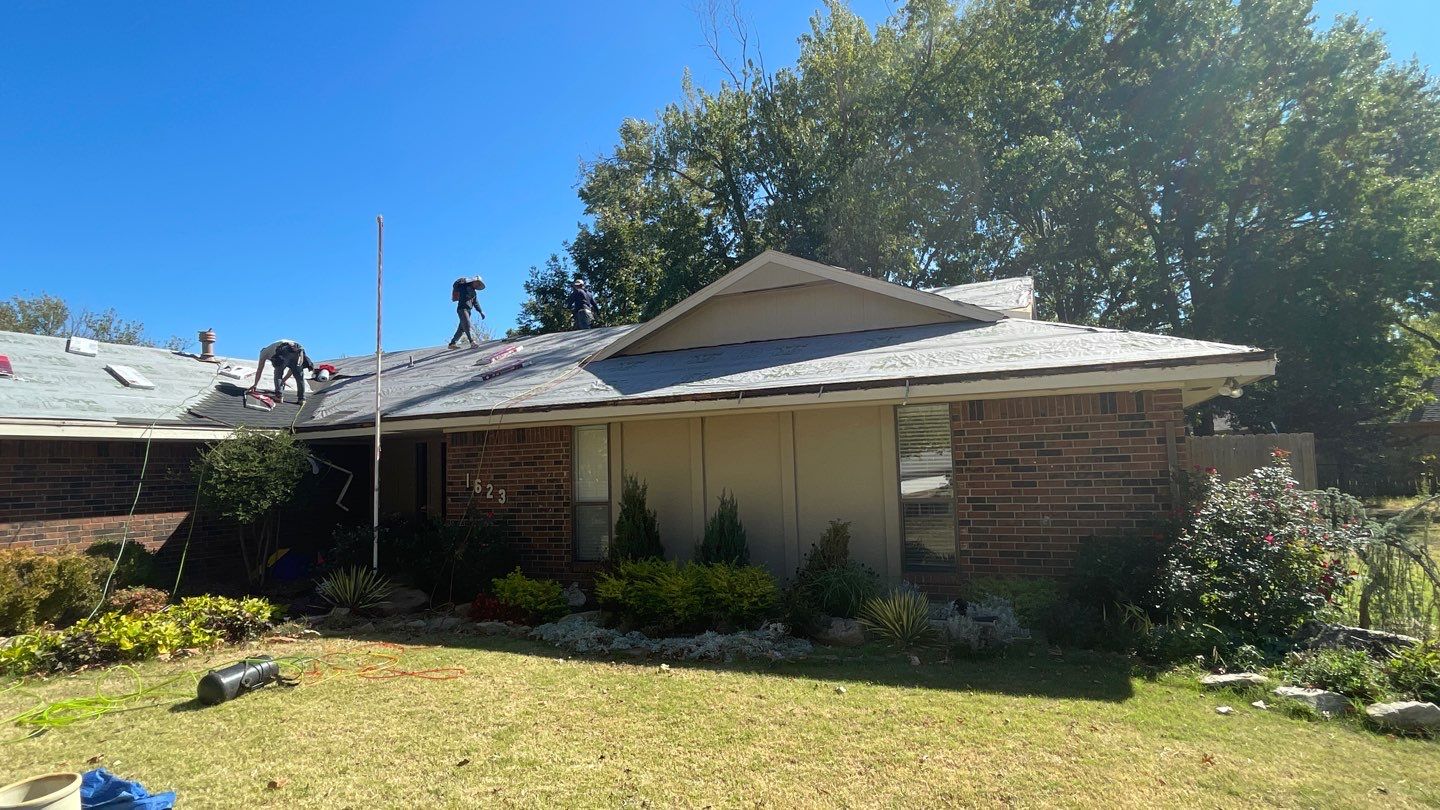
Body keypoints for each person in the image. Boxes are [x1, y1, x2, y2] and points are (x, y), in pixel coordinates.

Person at [248, 339, 314, 405]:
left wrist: (255, 384)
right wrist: (284, 380)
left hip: (285, 348)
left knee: (278, 374)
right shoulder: (273, 348)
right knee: (299, 377)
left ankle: (278, 396)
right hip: (299, 349)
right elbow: (293, 369)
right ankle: (302, 399)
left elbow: (259, 370)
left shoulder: (263, 353)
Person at [449, 275, 486, 349]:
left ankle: (452, 344)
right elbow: (455, 284)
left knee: (462, 328)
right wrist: (464, 280)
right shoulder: (464, 286)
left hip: (469, 310)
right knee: (467, 324)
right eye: (477, 283)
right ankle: (472, 342)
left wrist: (481, 312)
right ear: (473, 281)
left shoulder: (474, 293)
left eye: (479, 284)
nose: (477, 285)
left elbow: (476, 303)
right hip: (462, 309)